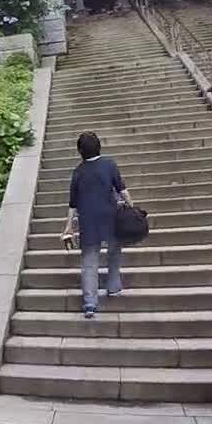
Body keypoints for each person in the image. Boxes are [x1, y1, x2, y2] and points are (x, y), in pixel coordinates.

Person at [60, 132, 133, 319]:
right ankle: (113, 287)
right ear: (99, 146)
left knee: (89, 263)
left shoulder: (78, 172)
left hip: (88, 222)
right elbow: (122, 190)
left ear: (80, 151)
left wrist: (69, 227)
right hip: (111, 219)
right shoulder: (109, 165)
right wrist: (132, 208)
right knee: (114, 253)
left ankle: (90, 303)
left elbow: (73, 204)